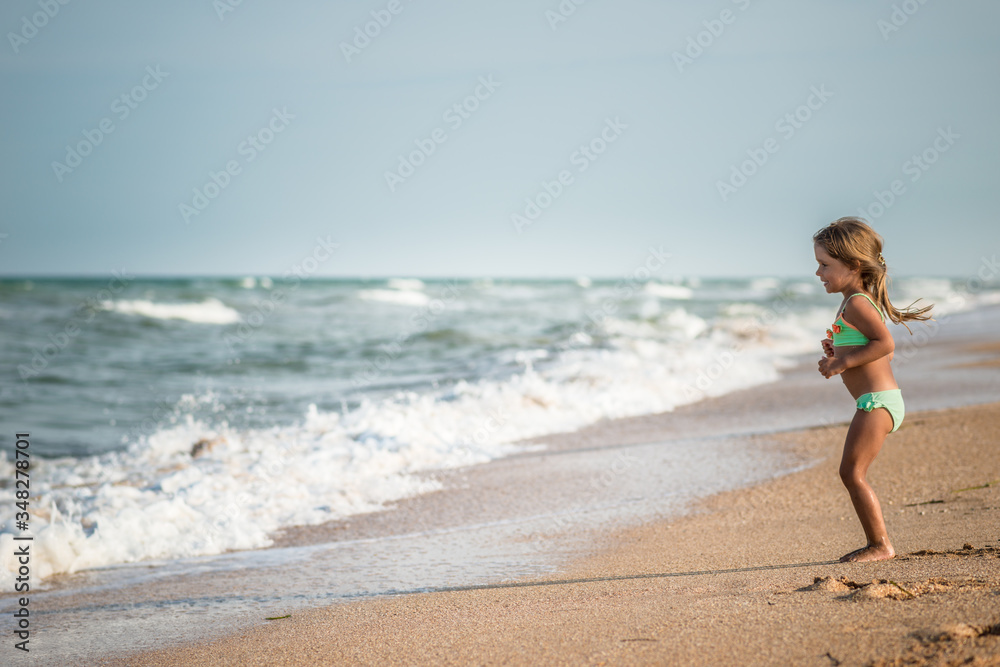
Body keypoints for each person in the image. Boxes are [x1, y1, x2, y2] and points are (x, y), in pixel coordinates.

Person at [813, 217, 933, 562]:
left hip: (877, 403)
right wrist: (839, 351)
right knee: (851, 472)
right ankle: (877, 543)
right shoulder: (854, 301)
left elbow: (885, 343)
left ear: (852, 265)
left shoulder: (857, 303)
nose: (819, 273)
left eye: (824, 265)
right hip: (877, 401)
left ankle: (880, 545)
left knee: (851, 473)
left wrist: (842, 364)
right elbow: (881, 350)